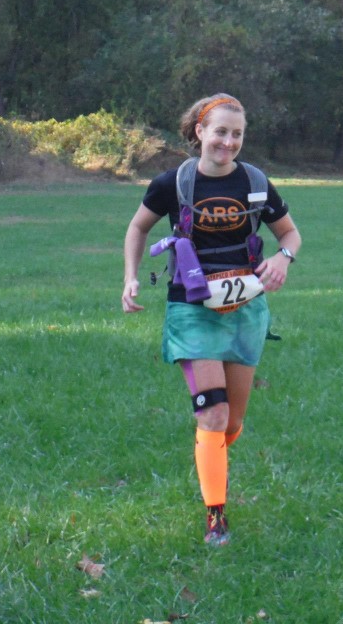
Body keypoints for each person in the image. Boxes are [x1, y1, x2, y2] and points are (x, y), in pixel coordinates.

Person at [122, 93, 301, 546]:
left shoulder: (257, 183)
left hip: (246, 309)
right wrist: (130, 278)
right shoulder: (173, 183)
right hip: (192, 308)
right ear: (199, 131)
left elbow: (290, 234)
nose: (228, 141)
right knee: (214, 414)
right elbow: (138, 227)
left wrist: (283, 259)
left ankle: (210, 458)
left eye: (237, 134)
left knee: (232, 423)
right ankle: (215, 516)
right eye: (220, 131)